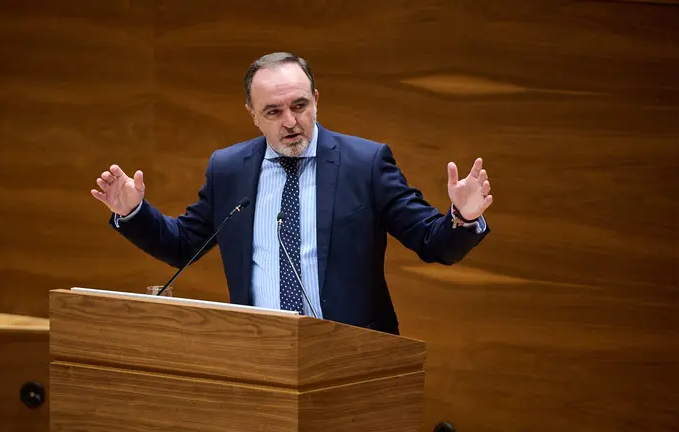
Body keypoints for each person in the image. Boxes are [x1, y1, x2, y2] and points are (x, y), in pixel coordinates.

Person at [91, 52, 493, 335]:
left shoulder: (364, 163)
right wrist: (134, 212)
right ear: (251, 113)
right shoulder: (228, 169)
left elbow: (431, 242)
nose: (290, 122)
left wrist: (463, 218)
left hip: (350, 353)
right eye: (273, 112)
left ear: (316, 101)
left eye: (299, 106)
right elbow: (182, 246)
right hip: (258, 352)